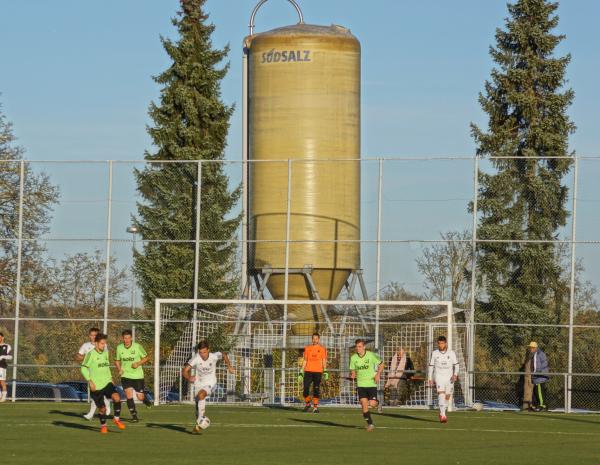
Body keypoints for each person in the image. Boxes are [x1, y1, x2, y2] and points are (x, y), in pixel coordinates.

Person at [182, 340, 235, 434]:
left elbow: (224, 355)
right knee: (198, 406)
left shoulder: (214, 356)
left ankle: (201, 421)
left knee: (201, 395)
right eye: (201, 352)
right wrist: (189, 377)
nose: (203, 355)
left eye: (205, 352)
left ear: (208, 350)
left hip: (211, 383)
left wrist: (229, 366)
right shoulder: (196, 358)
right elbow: (185, 371)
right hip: (199, 384)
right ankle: (198, 425)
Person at [81, 333, 126, 434]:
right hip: (96, 386)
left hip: (107, 382)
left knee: (117, 397)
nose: (103, 345)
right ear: (96, 343)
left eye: (105, 343)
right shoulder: (90, 354)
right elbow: (83, 368)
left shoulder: (106, 353)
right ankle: (104, 426)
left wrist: (110, 378)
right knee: (102, 409)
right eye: (102, 343)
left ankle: (116, 419)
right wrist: (90, 381)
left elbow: (106, 367)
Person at [115, 329, 151, 422]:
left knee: (140, 397)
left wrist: (138, 363)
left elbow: (146, 357)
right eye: (125, 338)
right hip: (126, 375)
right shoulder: (119, 348)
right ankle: (134, 416)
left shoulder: (137, 346)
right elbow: (117, 360)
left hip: (137, 376)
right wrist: (119, 369)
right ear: (122, 338)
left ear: (131, 338)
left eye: (128, 338)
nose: (127, 340)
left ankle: (145, 400)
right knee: (128, 395)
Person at [349, 339, 383, 432]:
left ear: (364, 347)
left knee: (372, 404)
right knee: (364, 404)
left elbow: (381, 364)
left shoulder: (370, 355)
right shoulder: (353, 358)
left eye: (360, 347)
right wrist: (352, 374)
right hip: (361, 385)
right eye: (357, 347)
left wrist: (378, 374)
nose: (358, 349)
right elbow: (353, 370)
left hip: (371, 384)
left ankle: (377, 403)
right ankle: (370, 424)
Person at [77, 327, 111, 419]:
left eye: (95, 335)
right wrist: (88, 359)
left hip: (101, 373)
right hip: (90, 373)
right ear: (89, 336)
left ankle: (92, 414)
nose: (93, 337)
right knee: (95, 393)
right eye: (91, 335)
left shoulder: (103, 345)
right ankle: (106, 404)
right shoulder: (85, 345)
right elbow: (78, 356)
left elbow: (105, 357)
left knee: (96, 393)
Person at [428, 335, 459, 423]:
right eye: (439, 343)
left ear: (445, 343)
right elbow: (431, 366)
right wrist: (430, 378)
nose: (441, 345)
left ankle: (442, 412)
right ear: (437, 344)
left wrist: (455, 375)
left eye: (442, 343)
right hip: (439, 377)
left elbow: (456, 365)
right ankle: (443, 415)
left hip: (449, 378)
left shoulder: (451, 353)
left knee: (447, 396)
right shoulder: (434, 353)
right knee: (441, 394)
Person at [299, 332, 328, 413]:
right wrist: (301, 371)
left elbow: (324, 360)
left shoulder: (322, 349)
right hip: (308, 371)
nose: (315, 340)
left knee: (316, 389)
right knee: (305, 390)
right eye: (313, 338)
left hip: (318, 372)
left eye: (316, 339)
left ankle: (315, 407)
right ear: (312, 339)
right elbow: (305, 360)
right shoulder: (307, 348)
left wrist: (325, 370)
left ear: (318, 339)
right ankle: (308, 404)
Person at [529, 341, 549, 411]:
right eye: (530, 348)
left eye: (531, 348)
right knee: (536, 392)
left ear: (535, 348)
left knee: (540, 391)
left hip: (540, 376)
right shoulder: (534, 354)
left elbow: (543, 365)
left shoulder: (540, 354)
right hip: (537, 376)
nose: (530, 349)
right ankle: (538, 405)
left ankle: (542, 405)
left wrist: (537, 372)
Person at [0, 332, 13, 402]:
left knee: (2, 381)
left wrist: (2, 356)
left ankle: (4, 396)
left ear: (2, 337)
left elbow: (10, 357)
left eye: (0, 337)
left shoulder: (7, 346)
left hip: (1, 366)